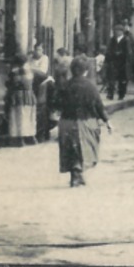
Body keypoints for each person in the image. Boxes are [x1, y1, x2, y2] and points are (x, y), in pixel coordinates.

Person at [57, 55, 113, 187]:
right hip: (85, 122)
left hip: (66, 123)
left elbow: (57, 104)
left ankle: (75, 174)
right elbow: (99, 106)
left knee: (70, 149)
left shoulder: (65, 85)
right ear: (86, 71)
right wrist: (107, 121)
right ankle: (78, 173)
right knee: (85, 147)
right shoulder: (90, 87)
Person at [4, 54, 37, 146]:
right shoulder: (31, 70)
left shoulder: (14, 71)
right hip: (29, 94)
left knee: (18, 117)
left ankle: (20, 138)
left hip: (18, 95)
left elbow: (11, 83)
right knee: (29, 116)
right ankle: (31, 137)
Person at [30, 45, 54, 142]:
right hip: (35, 85)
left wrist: (32, 69)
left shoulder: (44, 58)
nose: (38, 51)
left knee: (43, 108)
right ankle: (40, 132)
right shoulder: (31, 59)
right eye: (36, 49)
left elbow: (42, 71)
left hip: (44, 84)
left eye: (40, 49)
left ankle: (44, 132)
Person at [105, 23, 134, 100]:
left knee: (122, 80)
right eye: (115, 31)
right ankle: (110, 94)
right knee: (111, 79)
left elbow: (128, 52)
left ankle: (121, 94)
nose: (116, 32)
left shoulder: (126, 40)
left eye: (118, 31)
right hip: (113, 62)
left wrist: (122, 55)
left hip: (123, 63)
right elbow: (108, 50)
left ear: (122, 31)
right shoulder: (112, 40)